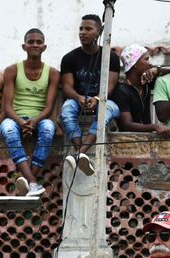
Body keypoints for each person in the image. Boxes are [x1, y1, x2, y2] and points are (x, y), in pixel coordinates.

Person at [0, 28, 60, 197]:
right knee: (9, 130)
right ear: (23, 46)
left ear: (44, 47)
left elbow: (49, 107)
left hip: (40, 118)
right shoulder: (12, 70)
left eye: (38, 42)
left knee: (48, 129)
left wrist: (33, 122)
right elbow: (7, 106)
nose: (35, 45)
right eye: (31, 42)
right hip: (15, 117)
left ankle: (25, 179)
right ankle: (33, 181)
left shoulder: (53, 73)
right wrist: (21, 122)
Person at [60, 14, 120, 176]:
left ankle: (79, 154)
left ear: (99, 32)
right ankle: (80, 152)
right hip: (78, 99)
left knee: (105, 111)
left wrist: (97, 99)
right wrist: (79, 97)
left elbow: (111, 86)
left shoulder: (111, 57)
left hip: (105, 100)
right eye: (81, 29)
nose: (82, 32)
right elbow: (66, 88)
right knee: (66, 110)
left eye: (88, 29)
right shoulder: (69, 58)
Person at [111, 44, 170, 135]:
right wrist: (154, 126)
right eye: (146, 59)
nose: (150, 63)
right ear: (134, 64)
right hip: (127, 142)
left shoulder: (146, 83)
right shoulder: (121, 91)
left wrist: (157, 70)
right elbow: (126, 124)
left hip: (146, 141)